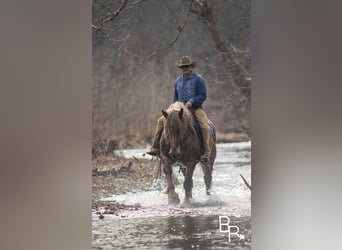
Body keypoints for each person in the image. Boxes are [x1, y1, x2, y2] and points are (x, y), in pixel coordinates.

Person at [146, 56, 211, 162]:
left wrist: (192, 101)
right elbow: (175, 98)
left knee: (204, 126)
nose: (185, 68)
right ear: (181, 68)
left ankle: (206, 151)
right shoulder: (178, 81)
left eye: (187, 66)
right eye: (183, 67)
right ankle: (155, 147)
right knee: (160, 121)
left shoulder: (198, 79)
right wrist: (173, 108)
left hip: (195, 108)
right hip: (178, 110)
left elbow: (203, 95)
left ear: (191, 67)